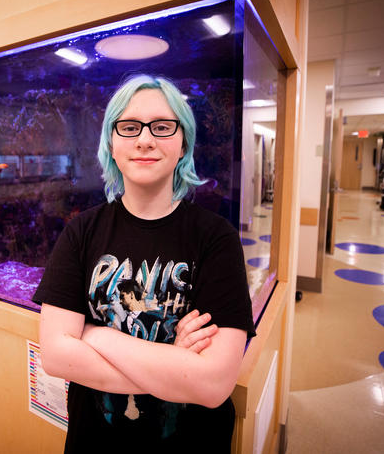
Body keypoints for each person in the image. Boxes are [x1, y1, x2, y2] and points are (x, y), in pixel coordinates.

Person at [32, 75, 255, 453]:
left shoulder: (216, 238)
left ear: (183, 142)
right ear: (112, 143)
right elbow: (55, 355)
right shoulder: (81, 232)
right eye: (130, 126)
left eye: (163, 126)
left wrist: (95, 335)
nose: (145, 139)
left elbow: (213, 385)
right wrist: (176, 365)